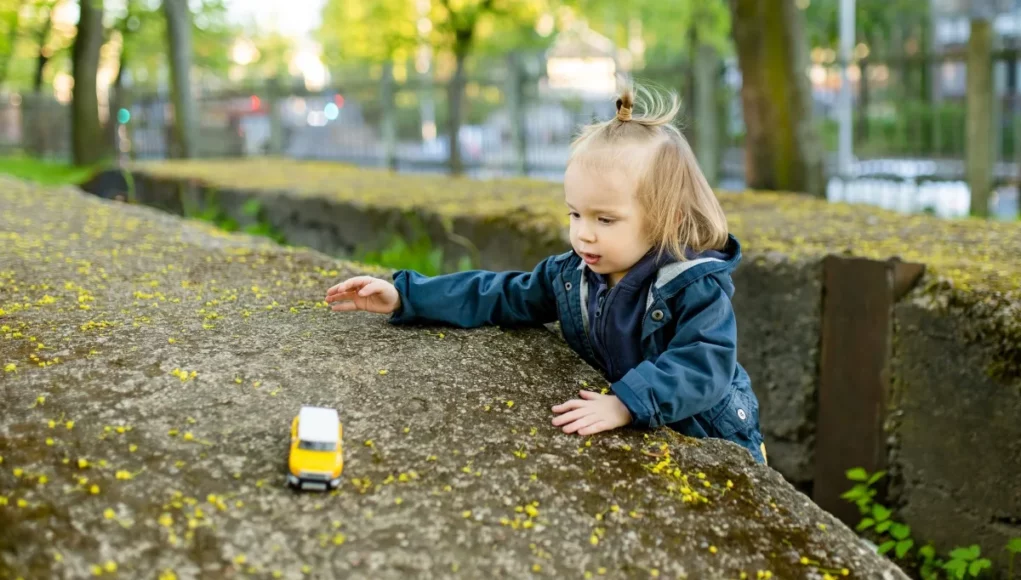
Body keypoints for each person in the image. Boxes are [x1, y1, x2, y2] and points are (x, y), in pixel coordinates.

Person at [325, 79, 767, 465]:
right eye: (575, 214)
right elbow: (501, 295)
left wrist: (625, 405)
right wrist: (407, 295)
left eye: (605, 220)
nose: (583, 236)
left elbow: (703, 363)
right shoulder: (573, 275)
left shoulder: (694, 285)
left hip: (715, 434)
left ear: (665, 219)